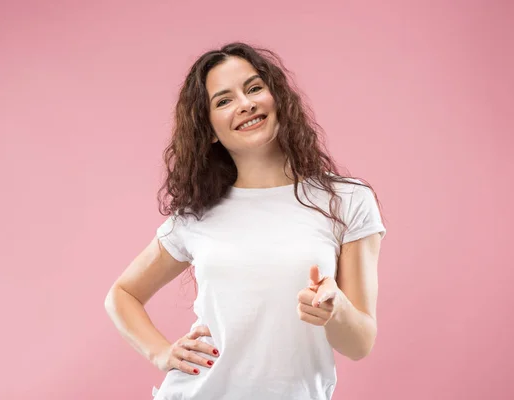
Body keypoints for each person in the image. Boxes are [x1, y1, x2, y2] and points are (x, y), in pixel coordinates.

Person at [104, 42, 387, 400]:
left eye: (254, 88)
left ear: (277, 97)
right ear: (207, 129)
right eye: (223, 101)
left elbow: (360, 344)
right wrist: (160, 352)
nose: (246, 104)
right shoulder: (196, 215)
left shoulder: (346, 199)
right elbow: (122, 295)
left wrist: (337, 309)